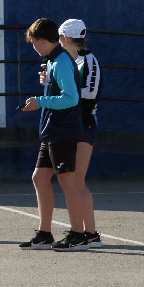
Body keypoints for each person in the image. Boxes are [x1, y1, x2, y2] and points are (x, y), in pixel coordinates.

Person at [18, 18, 87, 252]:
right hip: (52, 132)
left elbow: (71, 98)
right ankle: (45, 233)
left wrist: (39, 101)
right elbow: (62, 92)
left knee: (68, 181)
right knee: (39, 178)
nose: (34, 47)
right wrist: (47, 86)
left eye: (34, 42)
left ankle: (79, 234)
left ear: (44, 41)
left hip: (63, 131)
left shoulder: (61, 62)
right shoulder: (54, 62)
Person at [59, 19, 103, 248]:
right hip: (72, 124)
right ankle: (89, 233)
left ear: (65, 39)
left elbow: (91, 92)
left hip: (84, 124)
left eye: (59, 38)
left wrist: (66, 90)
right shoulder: (68, 62)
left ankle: (91, 233)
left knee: (77, 179)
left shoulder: (89, 60)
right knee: (75, 180)